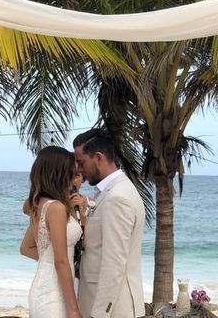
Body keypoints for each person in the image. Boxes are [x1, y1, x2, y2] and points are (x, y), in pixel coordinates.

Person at [73, 129, 145, 318]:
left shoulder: (117, 197)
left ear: (98, 158)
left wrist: (100, 314)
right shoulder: (113, 192)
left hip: (113, 310)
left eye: (81, 162)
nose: (79, 170)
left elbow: (114, 262)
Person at [20, 146, 83, 318]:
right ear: (59, 173)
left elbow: (26, 248)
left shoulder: (37, 204)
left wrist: (47, 261)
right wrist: (75, 310)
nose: (74, 177)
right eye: (71, 172)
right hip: (53, 294)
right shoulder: (55, 208)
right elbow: (60, 261)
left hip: (46, 286)